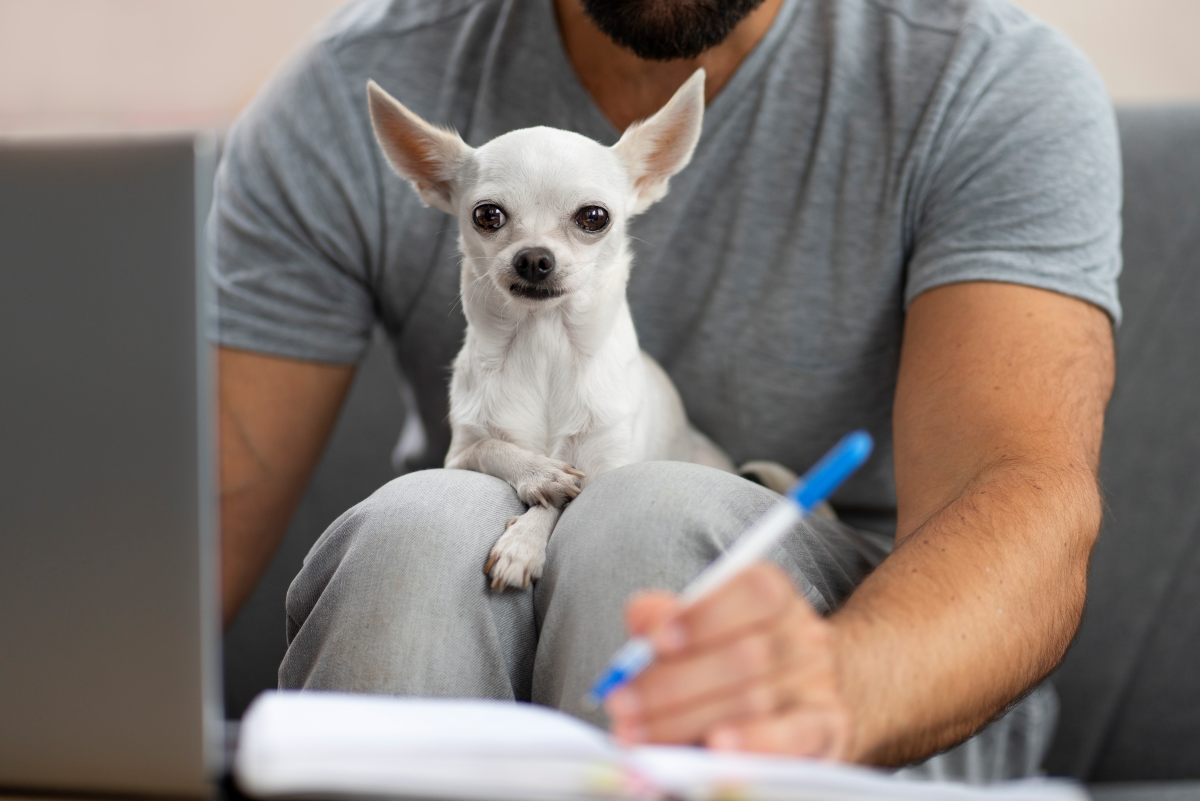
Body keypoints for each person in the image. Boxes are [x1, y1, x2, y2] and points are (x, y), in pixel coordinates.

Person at [213, 0, 1119, 778]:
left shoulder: (981, 79)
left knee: (640, 516)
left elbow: (1021, 500)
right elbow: (203, 513)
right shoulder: (354, 84)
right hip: (474, 591)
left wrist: (841, 681)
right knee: (418, 528)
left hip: (876, 660)